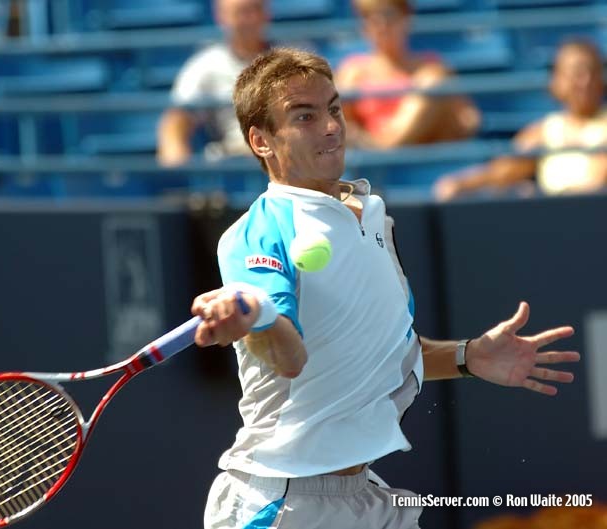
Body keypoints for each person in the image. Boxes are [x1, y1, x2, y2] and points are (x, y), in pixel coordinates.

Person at [193, 47, 580, 529]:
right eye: (304, 117)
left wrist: (467, 356)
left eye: (333, 109)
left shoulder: (372, 216)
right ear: (261, 140)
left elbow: (384, 351)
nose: (332, 127)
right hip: (282, 503)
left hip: (364, 498)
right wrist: (258, 318)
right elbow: (288, 357)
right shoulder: (258, 233)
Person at [435, 40, 607, 200]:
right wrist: (461, 184)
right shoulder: (544, 131)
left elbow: (598, 179)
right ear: (557, 81)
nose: (585, 81)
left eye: (592, 71)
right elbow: (504, 171)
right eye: (576, 73)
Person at [335, 0, 479, 149]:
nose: (381, 25)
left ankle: (386, 148)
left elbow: (468, 118)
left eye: (388, 16)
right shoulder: (354, 71)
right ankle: (385, 150)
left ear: (406, 19)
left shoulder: (431, 67)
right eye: (370, 18)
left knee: (433, 81)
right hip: (371, 153)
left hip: (423, 150)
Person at [156, 0, 271, 166]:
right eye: (241, 12)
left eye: (256, 9)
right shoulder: (206, 64)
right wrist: (175, 155)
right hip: (236, 160)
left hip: (291, 156)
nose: (251, 19)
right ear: (221, 17)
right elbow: (177, 118)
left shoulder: (293, 53)